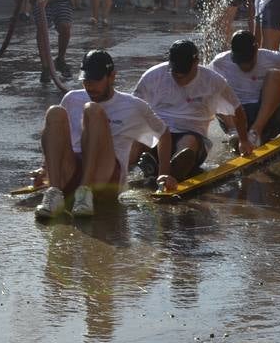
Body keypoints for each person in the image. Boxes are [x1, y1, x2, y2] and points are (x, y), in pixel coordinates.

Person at [32, 50, 175, 220]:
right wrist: (45, 167)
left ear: (112, 76)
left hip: (105, 178)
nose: (89, 86)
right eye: (86, 80)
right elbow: (54, 136)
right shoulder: (71, 98)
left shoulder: (134, 105)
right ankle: (54, 193)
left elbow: (163, 132)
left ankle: (85, 192)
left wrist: (163, 172)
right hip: (72, 171)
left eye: (96, 80)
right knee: (54, 112)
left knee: (92, 110)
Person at [133, 39, 253, 186]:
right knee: (137, 140)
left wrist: (244, 140)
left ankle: (164, 174)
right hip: (159, 131)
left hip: (191, 133)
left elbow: (237, 109)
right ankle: (153, 167)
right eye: (175, 73)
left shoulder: (213, 80)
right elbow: (134, 109)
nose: (179, 77)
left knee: (188, 144)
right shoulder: (153, 75)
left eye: (184, 73)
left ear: (196, 62)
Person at [210, 30, 280, 146]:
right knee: (212, 85)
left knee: (275, 75)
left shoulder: (272, 57)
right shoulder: (219, 62)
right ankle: (234, 132)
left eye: (248, 61)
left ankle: (255, 133)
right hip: (235, 115)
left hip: (266, 115)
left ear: (256, 49)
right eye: (241, 62)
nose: (245, 66)